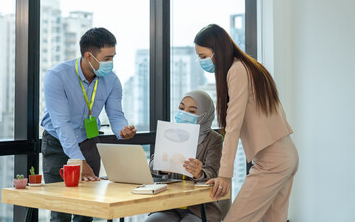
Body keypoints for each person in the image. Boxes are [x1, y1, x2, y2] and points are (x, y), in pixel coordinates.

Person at [194, 24, 299, 222]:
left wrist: (225, 175)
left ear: (218, 50)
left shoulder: (237, 70)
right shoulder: (252, 67)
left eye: (203, 56)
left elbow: (233, 127)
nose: (202, 62)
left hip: (272, 160)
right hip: (287, 155)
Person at [41, 27, 136, 222]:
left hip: (88, 140)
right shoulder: (57, 76)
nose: (111, 63)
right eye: (107, 58)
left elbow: (116, 115)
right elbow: (62, 124)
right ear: (88, 56)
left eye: (113, 57)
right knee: (61, 210)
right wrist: (78, 160)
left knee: (87, 210)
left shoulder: (111, 80)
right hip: (58, 143)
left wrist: (122, 130)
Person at [145, 90, 224, 222]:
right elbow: (152, 164)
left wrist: (200, 173)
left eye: (192, 111)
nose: (184, 113)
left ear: (205, 115)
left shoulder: (214, 139)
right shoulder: (171, 131)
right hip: (170, 204)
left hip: (199, 207)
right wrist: (162, 166)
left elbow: (213, 172)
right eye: (181, 108)